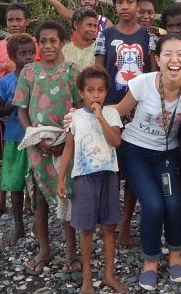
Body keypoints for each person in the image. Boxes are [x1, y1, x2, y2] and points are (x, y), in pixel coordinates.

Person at [111, 34, 181, 291]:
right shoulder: (142, 83)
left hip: (167, 154)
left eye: (180, 55)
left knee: (174, 203)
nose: (174, 60)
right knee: (152, 205)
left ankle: (175, 255)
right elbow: (118, 110)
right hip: (135, 151)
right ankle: (150, 261)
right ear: (157, 59)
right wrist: (87, 113)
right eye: (167, 55)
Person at [13, 20, 82, 275]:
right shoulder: (29, 72)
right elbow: (22, 108)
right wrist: (34, 135)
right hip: (37, 144)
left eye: (53, 40)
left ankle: (72, 250)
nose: (48, 45)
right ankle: (44, 247)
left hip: (66, 143)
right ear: (37, 43)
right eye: (43, 41)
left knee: (67, 194)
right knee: (40, 197)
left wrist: (66, 138)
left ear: (62, 42)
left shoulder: (71, 71)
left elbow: (79, 107)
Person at [94, 0, 157, 249]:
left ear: (138, 4)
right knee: (107, 168)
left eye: (130, 2)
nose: (124, 7)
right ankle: (106, 223)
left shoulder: (149, 37)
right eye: (119, 2)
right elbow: (97, 73)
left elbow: (155, 73)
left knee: (133, 172)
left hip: (140, 113)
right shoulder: (104, 36)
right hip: (109, 111)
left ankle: (126, 226)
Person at [57, 67, 127, 294]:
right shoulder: (75, 117)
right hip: (84, 179)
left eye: (100, 90)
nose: (95, 95)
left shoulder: (112, 114)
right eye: (90, 90)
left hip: (108, 176)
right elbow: (68, 149)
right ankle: (87, 276)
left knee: (109, 227)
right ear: (81, 92)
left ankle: (108, 274)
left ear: (106, 92)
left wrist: (100, 117)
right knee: (86, 229)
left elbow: (116, 142)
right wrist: (61, 179)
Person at [0, 2, 41, 217]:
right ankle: (3, 201)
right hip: (10, 125)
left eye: (19, 19)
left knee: (30, 167)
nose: (15, 23)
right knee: (6, 164)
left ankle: (30, 203)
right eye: (11, 19)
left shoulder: (36, 49)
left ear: (27, 21)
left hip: (31, 127)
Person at [0, 33, 35, 246]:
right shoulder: (6, 82)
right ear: (12, 56)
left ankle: (39, 223)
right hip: (14, 138)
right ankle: (18, 225)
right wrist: (16, 103)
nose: (28, 57)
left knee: (37, 183)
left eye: (31, 53)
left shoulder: (39, 76)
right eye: (23, 54)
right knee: (15, 184)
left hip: (36, 137)